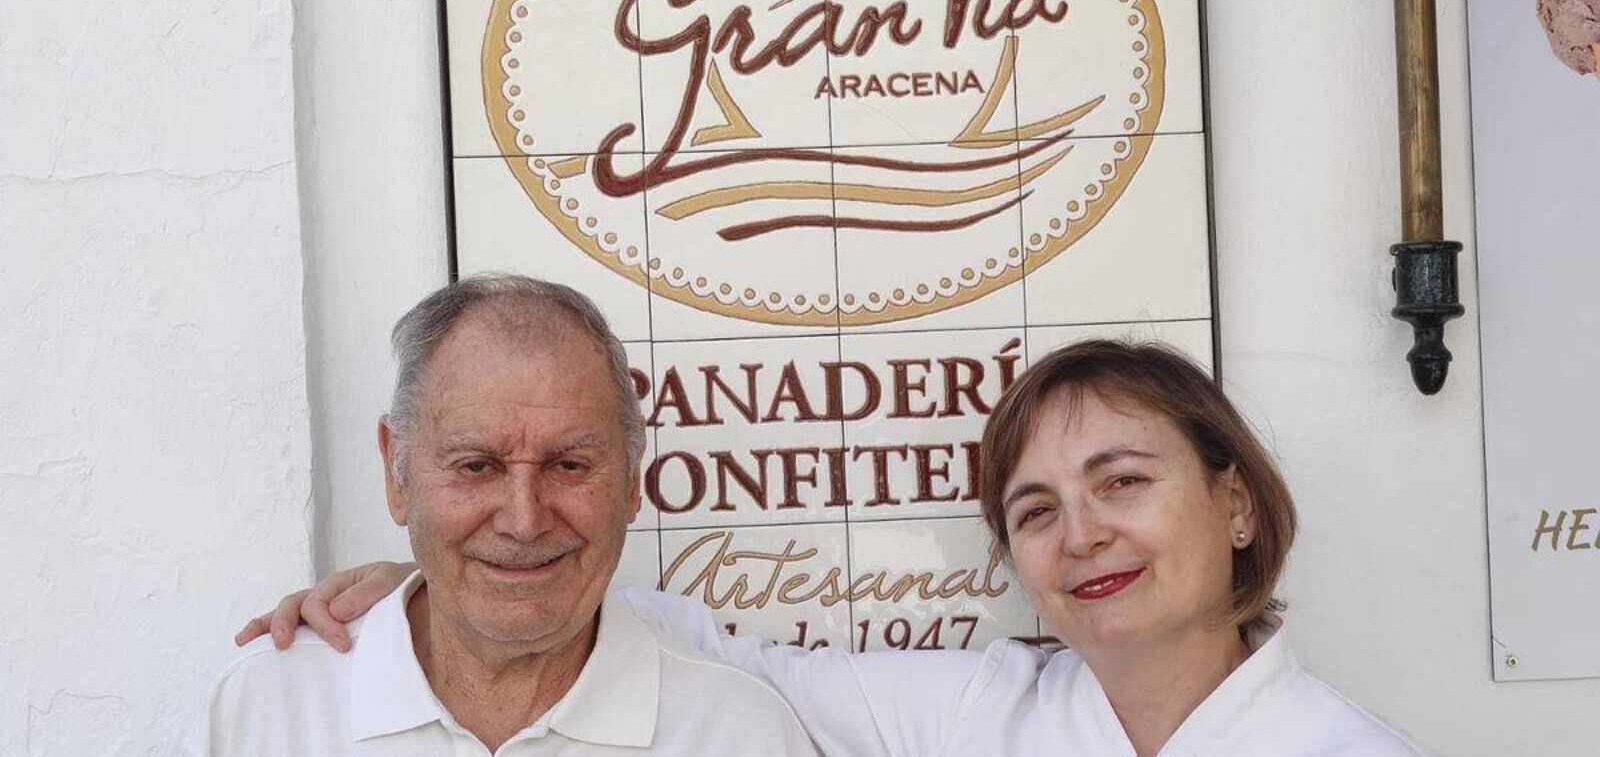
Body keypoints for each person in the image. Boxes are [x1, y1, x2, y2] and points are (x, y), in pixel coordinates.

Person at [242, 338, 1425, 756]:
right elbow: (728, 659)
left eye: (1122, 481)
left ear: (1235, 505)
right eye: (1033, 510)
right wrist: (449, 581)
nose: (1083, 535)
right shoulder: (987, 711)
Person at [192, 275, 816, 755]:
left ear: (631, 479)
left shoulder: (738, 732)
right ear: (396, 473)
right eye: (476, 466)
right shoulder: (265, 712)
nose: (524, 520)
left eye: (570, 465)